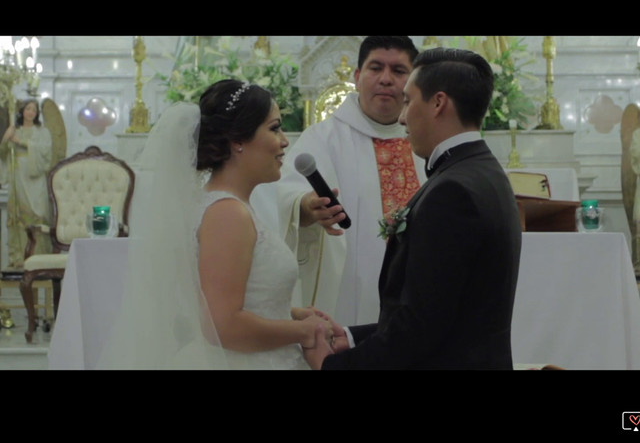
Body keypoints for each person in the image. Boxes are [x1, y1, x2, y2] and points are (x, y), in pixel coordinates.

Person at [303, 47, 523, 370]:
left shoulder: (452, 192)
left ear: (438, 103)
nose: (402, 116)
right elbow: (440, 312)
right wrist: (351, 337)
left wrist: (333, 366)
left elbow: (419, 329)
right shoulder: (485, 170)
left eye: (408, 101)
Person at [97, 79, 332, 370]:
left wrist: (292, 313)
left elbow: (240, 296)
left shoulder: (231, 206)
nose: (284, 141)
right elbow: (222, 326)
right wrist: (305, 332)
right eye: (274, 128)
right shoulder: (227, 214)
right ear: (237, 142)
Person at [276, 36, 426, 326]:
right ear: (357, 77)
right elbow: (283, 195)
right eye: (375, 68)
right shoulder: (323, 137)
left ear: (414, 81)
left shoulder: (427, 138)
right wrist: (307, 206)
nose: (385, 79)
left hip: (420, 284)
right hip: (349, 290)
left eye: (398, 71)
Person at [0, 99, 52, 269]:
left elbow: (45, 152)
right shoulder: (15, 130)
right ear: (22, 111)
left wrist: (21, 142)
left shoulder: (42, 132)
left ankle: (39, 256)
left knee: (38, 213)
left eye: (34, 110)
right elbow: (3, 154)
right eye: (28, 109)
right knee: (20, 214)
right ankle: (20, 256)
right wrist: (6, 139)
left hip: (35, 178)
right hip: (19, 176)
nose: (31, 112)